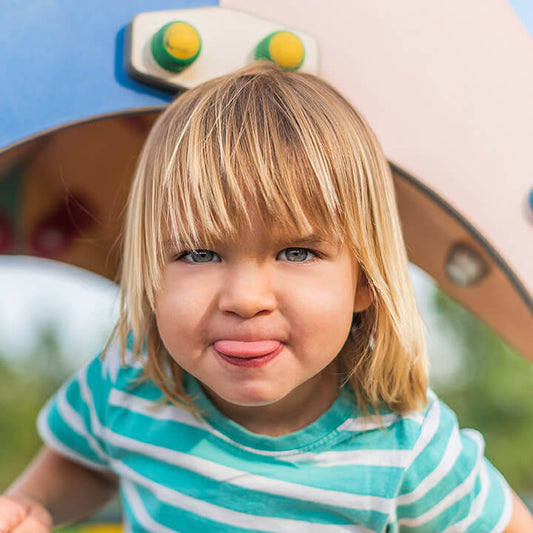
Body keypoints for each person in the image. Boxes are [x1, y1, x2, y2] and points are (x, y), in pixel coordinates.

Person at [1, 62, 532, 533]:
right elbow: (86, 460)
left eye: (297, 253)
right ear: (150, 275)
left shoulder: (405, 448)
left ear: (365, 281)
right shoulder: (131, 382)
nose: (246, 298)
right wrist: (34, 504)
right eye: (199, 254)